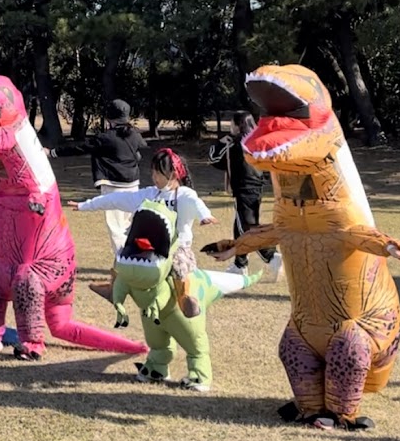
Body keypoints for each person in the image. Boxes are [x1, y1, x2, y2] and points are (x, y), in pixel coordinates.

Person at [71, 148, 219, 317]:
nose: (154, 177)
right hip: (150, 246)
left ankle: (185, 299)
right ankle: (113, 290)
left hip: (176, 248)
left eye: (158, 173)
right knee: (123, 255)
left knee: (180, 265)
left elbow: (197, 204)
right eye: (153, 172)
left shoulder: (185, 194)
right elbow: (115, 199)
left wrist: (205, 216)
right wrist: (85, 205)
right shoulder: (149, 194)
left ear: (173, 174)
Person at [48, 99, 147, 298]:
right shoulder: (134, 135)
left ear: (109, 118)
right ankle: (135, 267)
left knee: (116, 231)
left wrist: (53, 152)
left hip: (113, 187)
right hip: (134, 186)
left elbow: (80, 148)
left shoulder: (105, 138)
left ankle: (126, 273)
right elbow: (140, 151)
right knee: (129, 230)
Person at [208, 111, 282, 281]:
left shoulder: (235, 143)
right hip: (256, 188)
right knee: (240, 225)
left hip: (244, 189)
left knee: (247, 228)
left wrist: (221, 142)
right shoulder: (256, 141)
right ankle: (240, 265)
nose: (230, 127)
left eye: (232, 124)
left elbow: (214, 158)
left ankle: (272, 257)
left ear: (238, 125)